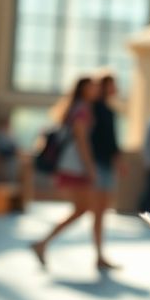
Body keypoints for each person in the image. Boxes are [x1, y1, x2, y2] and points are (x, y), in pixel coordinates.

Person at [31, 76, 116, 271]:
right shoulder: (82, 109)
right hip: (75, 168)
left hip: (72, 167)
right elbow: (82, 141)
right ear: (84, 90)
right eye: (92, 87)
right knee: (85, 209)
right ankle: (43, 243)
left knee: (83, 209)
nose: (96, 90)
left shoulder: (77, 107)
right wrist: (90, 169)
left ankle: (43, 243)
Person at [89, 73, 122, 269]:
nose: (116, 87)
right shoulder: (97, 109)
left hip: (103, 165)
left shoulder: (104, 109)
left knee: (99, 212)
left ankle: (100, 254)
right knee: (94, 211)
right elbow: (105, 141)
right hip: (98, 165)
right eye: (113, 84)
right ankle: (43, 243)